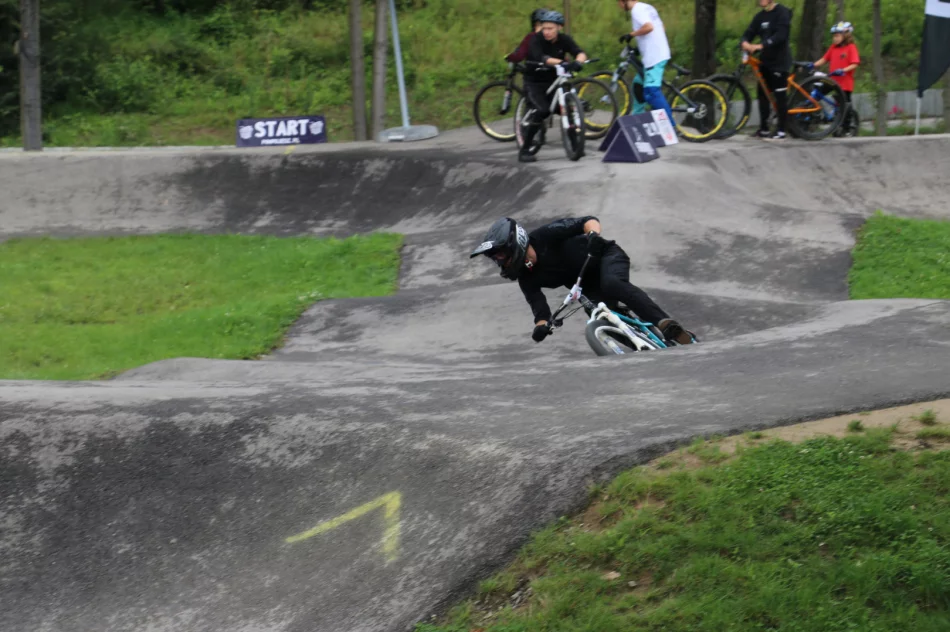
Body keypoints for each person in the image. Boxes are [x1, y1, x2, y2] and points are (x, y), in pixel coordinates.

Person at [470, 216, 695, 345]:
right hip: (587, 283)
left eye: (500, 254)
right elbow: (539, 310)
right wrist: (541, 327)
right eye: (495, 258)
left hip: (605, 257)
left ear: (514, 243)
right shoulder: (525, 277)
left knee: (612, 284)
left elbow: (587, 221)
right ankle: (650, 349)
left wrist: (593, 236)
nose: (499, 261)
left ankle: (665, 325)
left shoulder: (545, 236)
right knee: (598, 317)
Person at [519, 10, 588, 163]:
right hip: (534, 82)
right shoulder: (535, 40)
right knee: (542, 110)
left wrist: (578, 62)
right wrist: (562, 63)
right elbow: (542, 58)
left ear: (559, 27)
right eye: (544, 28)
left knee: (568, 110)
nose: (547, 32)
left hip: (553, 81)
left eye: (550, 28)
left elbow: (580, 52)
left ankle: (576, 146)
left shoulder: (564, 39)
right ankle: (524, 150)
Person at [741, 0, 793, 140]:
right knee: (763, 95)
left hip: (780, 62)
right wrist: (745, 42)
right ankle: (764, 128)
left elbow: (781, 36)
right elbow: (749, 32)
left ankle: (782, 130)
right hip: (765, 62)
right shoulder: (760, 16)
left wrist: (761, 45)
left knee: (780, 96)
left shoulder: (782, 13)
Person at [617, 0, 675, 124]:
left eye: (618, 2)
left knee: (652, 92)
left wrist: (631, 35)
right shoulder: (647, 7)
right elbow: (661, 27)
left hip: (655, 56)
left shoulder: (636, 11)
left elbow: (649, 27)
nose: (618, 5)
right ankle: (638, 119)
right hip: (654, 53)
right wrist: (642, 46)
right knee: (638, 85)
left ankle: (670, 126)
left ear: (624, 1)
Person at [812, 21, 860, 103]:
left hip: (845, 83)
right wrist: (813, 65)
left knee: (844, 105)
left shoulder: (851, 47)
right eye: (834, 36)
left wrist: (842, 70)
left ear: (845, 36)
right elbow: (824, 59)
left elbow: (855, 64)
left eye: (837, 36)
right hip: (832, 80)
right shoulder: (833, 48)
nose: (835, 38)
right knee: (816, 95)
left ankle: (847, 114)